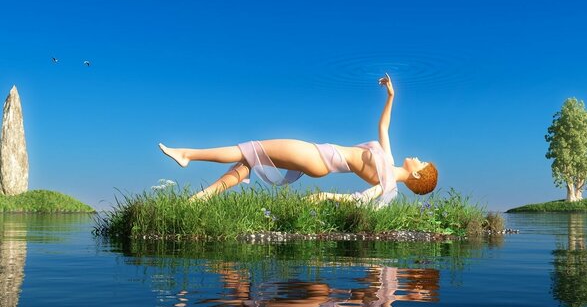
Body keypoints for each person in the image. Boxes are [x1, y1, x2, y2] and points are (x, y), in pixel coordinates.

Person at [159, 74, 438, 207]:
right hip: (319, 159)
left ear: (416, 173)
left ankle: (187, 155)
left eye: (422, 163)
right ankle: (197, 199)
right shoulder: (388, 166)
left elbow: (359, 199)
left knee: (251, 148)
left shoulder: (388, 180)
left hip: (317, 157)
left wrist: (325, 196)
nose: (418, 157)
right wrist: (391, 96)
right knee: (248, 159)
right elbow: (384, 126)